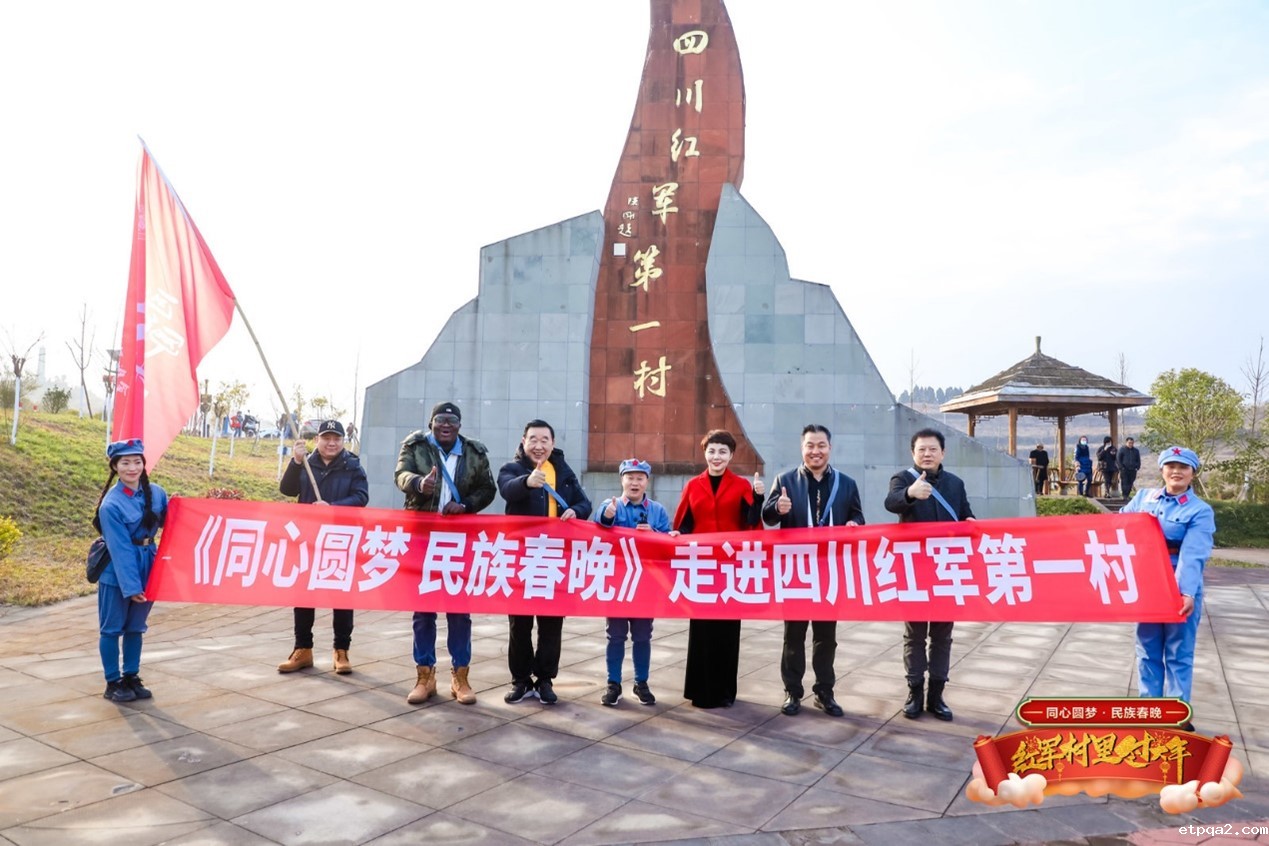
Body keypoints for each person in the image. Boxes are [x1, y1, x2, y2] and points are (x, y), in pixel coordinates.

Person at [394, 402, 496, 705]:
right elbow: (400, 475)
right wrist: (418, 484)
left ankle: (460, 676)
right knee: (423, 610)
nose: (446, 425)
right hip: (422, 538)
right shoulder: (415, 446)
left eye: (452, 421)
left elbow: (487, 489)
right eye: (440, 420)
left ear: (460, 425)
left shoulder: (475, 452)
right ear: (431, 423)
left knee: (459, 609)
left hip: (458, 540)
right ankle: (425, 676)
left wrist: (465, 506)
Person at [762, 425, 863, 718]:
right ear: (801, 448)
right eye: (810, 445)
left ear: (830, 448)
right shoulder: (785, 480)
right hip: (795, 571)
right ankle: (792, 692)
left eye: (821, 445)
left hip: (829, 571)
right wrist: (777, 509)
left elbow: (857, 515)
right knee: (793, 634)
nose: (815, 451)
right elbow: (767, 518)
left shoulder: (846, 483)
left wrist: (855, 524)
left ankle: (825, 692)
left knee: (825, 636)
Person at [498, 419, 592, 704]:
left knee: (552, 623)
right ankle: (521, 680)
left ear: (552, 443)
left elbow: (584, 503)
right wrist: (527, 482)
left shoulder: (562, 470)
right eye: (533, 440)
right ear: (524, 441)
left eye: (544, 440)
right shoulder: (512, 468)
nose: (539, 446)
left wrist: (575, 511)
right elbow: (506, 489)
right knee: (520, 622)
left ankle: (545, 679)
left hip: (554, 558)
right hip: (522, 558)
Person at [884, 428, 975, 722]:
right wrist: (910, 494)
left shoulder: (955, 484)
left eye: (932, 449)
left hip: (948, 570)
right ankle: (914, 692)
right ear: (913, 453)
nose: (927, 454)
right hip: (914, 571)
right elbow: (892, 502)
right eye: (921, 449)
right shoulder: (903, 479)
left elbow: (965, 514)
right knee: (914, 635)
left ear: (942, 453)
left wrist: (971, 522)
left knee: (942, 636)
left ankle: (936, 695)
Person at [1121, 447, 1215, 727]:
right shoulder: (1143, 498)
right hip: (1147, 585)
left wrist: (1185, 591)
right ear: (1162, 469)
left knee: (1178, 651)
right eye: (1171, 466)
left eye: (1183, 467)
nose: (1177, 471)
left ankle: (1176, 715)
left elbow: (1194, 553)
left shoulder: (1199, 510)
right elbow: (1116, 527)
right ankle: (1148, 709)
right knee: (1147, 649)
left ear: (1192, 473)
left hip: (1178, 587)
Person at [673, 430, 764, 709]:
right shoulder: (693, 485)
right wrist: (678, 533)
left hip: (730, 568)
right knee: (701, 630)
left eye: (723, 452)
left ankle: (724, 691)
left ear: (731, 455)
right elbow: (684, 522)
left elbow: (751, 524)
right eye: (712, 451)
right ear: (705, 453)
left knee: (727, 630)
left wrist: (759, 499)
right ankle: (699, 690)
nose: (717, 457)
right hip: (701, 568)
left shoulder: (741, 486)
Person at [276, 420, 369, 675]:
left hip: (339, 538)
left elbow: (361, 497)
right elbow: (287, 489)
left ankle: (341, 651)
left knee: (341, 594)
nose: (331, 443)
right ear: (317, 439)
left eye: (336, 438)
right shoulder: (306, 461)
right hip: (308, 539)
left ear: (343, 441)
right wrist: (295, 462)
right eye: (326, 438)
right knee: (304, 593)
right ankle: (302, 649)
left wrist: (334, 507)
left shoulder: (352, 465)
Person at [93, 439, 169, 702]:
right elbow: (120, 548)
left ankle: (131, 676)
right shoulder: (111, 504)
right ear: (115, 466)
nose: (132, 468)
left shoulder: (157, 493)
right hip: (118, 572)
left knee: (137, 627)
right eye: (125, 462)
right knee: (112, 628)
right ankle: (112, 682)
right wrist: (132, 586)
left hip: (149, 563)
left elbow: (175, 525)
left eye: (137, 462)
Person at [593, 458, 672, 707]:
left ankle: (641, 682)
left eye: (639, 478)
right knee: (615, 636)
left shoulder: (657, 510)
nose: (634, 482)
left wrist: (655, 536)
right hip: (618, 584)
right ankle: (613, 684)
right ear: (622, 480)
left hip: (646, 585)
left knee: (642, 636)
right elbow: (598, 524)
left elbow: (669, 543)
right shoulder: (611, 504)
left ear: (647, 481)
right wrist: (607, 517)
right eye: (630, 477)